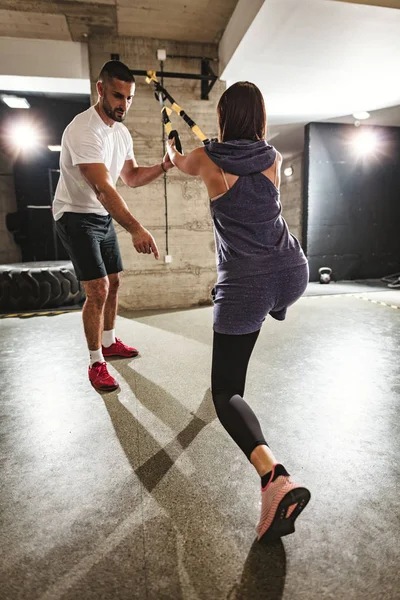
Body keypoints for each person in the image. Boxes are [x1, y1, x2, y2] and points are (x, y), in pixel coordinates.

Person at [167, 81, 310, 542]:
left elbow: (177, 162)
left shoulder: (207, 160)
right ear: (261, 119)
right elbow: (245, 158)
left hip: (248, 282)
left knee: (225, 390)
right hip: (293, 270)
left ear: (225, 118)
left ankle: (273, 476)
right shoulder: (273, 157)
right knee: (266, 302)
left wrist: (174, 147)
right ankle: (276, 307)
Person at [54, 60, 173, 391]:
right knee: (98, 289)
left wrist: (164, 165)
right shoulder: (82, 130)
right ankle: (95, 362)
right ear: (101, 89)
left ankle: (109, 341)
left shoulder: (120, 133)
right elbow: (104, 189)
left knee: (115, 281)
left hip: (101, 214)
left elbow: (131, 177)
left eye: (130, 98)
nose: (124, 105)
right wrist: (136, 227)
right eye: (118, 96)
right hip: (75, 214)